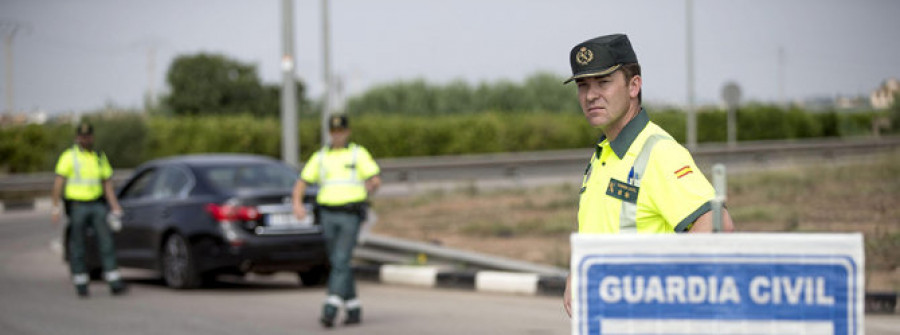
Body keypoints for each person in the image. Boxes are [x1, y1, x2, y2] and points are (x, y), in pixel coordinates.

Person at [560, 34, 735, 316]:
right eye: (583, 85)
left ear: (634, 86)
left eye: (603, 83)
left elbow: (717, 226)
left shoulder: (658, 153)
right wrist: (577, 269)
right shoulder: (604, 154)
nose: (591, 95)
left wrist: (654, 292)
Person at [292, 114, 381, 328]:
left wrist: (372, 186)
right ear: (330, 133)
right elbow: (302, 182)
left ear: (347, 132)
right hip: (328, 215)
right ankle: (353, 307)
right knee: (338, 261)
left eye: (341, 132)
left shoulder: (357, 154)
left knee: (341, 259)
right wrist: (297, 204)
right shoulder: (321, 157)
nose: (337, 135)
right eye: (334, 132)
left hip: (350, 214)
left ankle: (330, 307)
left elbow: (375, 178)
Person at [51, 122, 127, 298]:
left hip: (97, 205)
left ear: (92, 137)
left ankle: (114, 281)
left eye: (88, 136)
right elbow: (58, 184)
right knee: (78, 245)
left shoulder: (99, 157)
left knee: (106, 242)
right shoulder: (69, 157)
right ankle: (81, 283)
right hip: (77, 206)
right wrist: (55, 207)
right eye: (82, 136)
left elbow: (107, 183)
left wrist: (116, 207)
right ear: (77, 138)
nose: (86, 139)